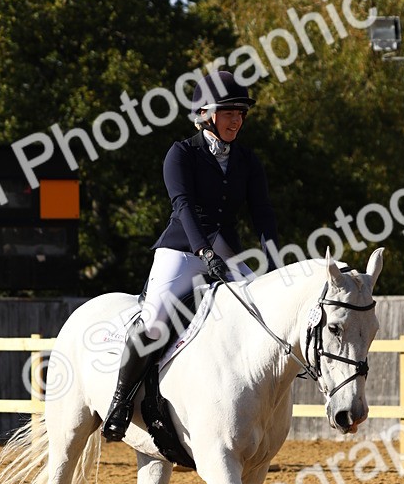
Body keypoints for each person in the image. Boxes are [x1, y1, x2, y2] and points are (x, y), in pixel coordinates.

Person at [102, 69, 279, 441]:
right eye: (229, 112)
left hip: (227, 252)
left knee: (268, 317)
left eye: (240, 113)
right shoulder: (180, 153)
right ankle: (120, 403)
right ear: (206, 115)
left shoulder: (248, 160)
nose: (237, 120)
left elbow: (262, 212)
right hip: (182, 249)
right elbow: (182, 205)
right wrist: (202, 250)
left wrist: (275, 262)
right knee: (153, 321)